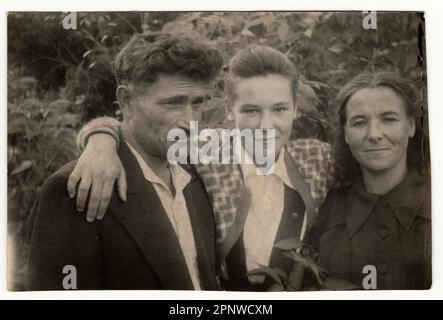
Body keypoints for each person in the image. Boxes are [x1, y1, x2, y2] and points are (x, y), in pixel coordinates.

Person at [67, 45, 335, 291]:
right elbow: (142, 138)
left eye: (279, 109)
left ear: (296, 108)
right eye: (251, 110)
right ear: (230, 108)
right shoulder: (205, 152)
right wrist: (100, 139)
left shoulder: (316, 159)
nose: (266, 126)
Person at [25, 32, 223, 290]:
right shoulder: (76, 188)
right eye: (173, 103)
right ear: (126, 101)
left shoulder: (199, 176)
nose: (190, 121)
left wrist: (100, 134)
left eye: (197, 103)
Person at [309, 71, 431, 290]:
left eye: (389, 119)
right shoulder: (327, 208)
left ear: (411, 126)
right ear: (345, 134)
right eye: (359, 122)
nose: (374, 134)